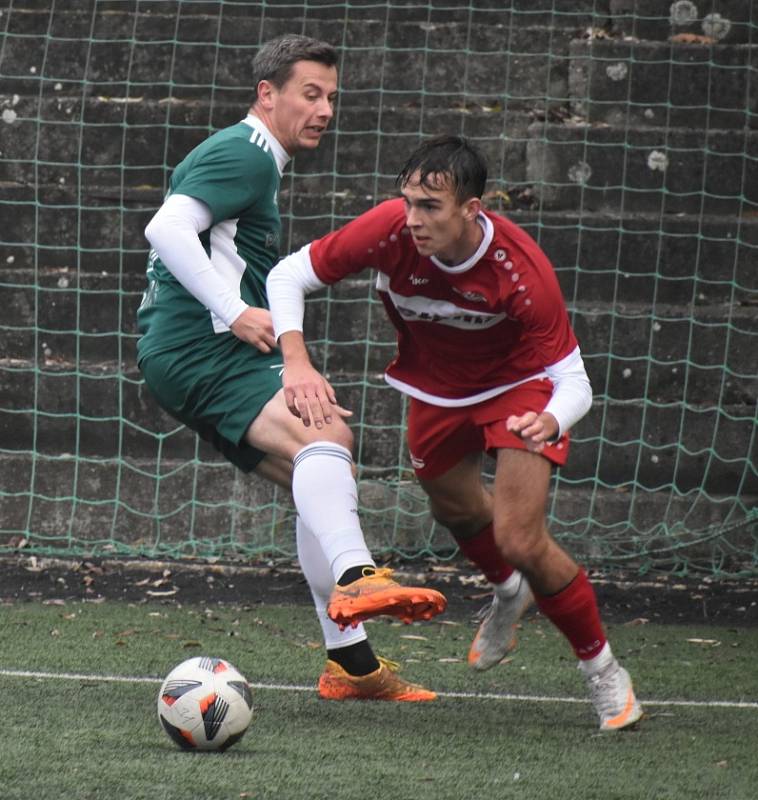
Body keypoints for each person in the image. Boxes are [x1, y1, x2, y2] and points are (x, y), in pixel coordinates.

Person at [266, 135, 644, 731]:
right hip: (437, 389)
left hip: (520, 392)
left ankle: (603, 672)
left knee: (519, 537)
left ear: (472, 209)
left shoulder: (520, 269)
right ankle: (508, 592)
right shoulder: (389, 229)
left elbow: (575, 380)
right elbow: (289, 275)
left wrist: (552, 418)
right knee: (455, 506)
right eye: (409, 202)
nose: (413, 219)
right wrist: (296, 360)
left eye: (431, 207)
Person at [135, 34, 447, 703]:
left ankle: (353, 667)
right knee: (324, 435)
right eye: (310, 93)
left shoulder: (252, 160)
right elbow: (165, 229)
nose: (325, 109)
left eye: (332, 97)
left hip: (183, 351)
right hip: (201, 347)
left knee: (322, 471)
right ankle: (360, 577)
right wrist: (235, 310)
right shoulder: (245, 153)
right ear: (266, 95)